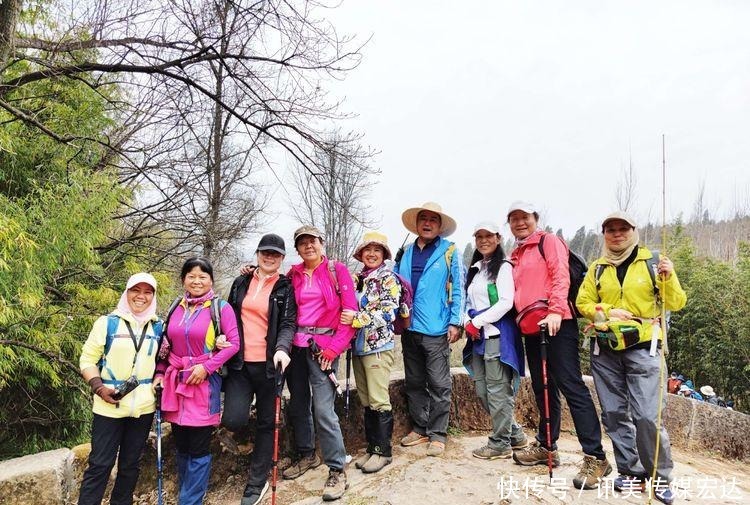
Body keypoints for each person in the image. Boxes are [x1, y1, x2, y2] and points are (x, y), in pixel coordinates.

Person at [577, 211, 687, 505]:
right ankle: (631, 472)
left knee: (647, 417)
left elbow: (676, 302)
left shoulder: (653, 261)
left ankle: (660, 478)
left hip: (645, 347)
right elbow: (583, 302)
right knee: (613, 414)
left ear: (633, 231)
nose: (616, 234)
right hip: (606, 347)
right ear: (604, 235)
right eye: (610, 229)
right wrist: (608, 311)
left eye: (622, 228)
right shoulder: (598, 268)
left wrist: (670, 275)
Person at [506, 201, 611, 490]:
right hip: (530, 328)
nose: (519, 223)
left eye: (524, 218)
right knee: (542, 387)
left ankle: (595, 456)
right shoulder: (515, 253)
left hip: (557, 323)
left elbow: (560, 274)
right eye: (514, 219)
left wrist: (555, 309)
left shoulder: (549, 241)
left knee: (571, 385)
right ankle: (546, 446)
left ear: (535, 219)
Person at [154, 257, 239, 505]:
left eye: (203, 276)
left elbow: (234, 344)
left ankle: (190, 501)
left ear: (211, 280)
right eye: (191, 276)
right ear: (183, 280)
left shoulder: (220, 308)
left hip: (205, 385)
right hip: (176, 384)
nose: (197, 281)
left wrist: (207, 367)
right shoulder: (174, 308)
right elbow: (164, 348)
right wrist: (160, 374)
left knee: (199, 445)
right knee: (181, 444)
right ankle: (187, 495)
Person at [283, 225, 357, 502]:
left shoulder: (337, 271)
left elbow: (350, 314)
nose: (308, 246)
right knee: (299, 404)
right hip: (296, 349)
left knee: (323, 409)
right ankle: (306, 455)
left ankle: (337, 468)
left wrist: (334, 349)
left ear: (321, 243)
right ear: (298, 247)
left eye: (312, 241)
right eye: (302, 242)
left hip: (324, 349)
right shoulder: (294, 274)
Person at [222, 234, 297, 505]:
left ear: (282, 258)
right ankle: (240, 443)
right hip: (240, 364)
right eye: (265, 252)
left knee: (267, 424)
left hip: (270, 366)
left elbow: (288, 323)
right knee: (233, 418)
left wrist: (282, 349)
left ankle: (256, 482)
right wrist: (222, 338)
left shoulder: (285, 287)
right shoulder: (241, 281)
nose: (269, 257)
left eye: (275, 254)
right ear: (257, 254)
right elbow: (228, 315)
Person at [78, 273, 163, 505]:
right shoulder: (107, 323)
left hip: (143, 407)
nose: (141, 296)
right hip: (109, 405)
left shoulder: (158, 326)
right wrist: (98, 387)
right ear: (127, 292)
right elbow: (87, 360)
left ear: (153, 296)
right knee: (100, 464)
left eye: (148, 292)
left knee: (130, 465)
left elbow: (164, 361)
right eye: (136, 290)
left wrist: (160, 376)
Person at [394, 202, 464, 457]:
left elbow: (458, 287)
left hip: (436, 328)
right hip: (409, 327)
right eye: (423, 218)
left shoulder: (449, 251)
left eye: (433, 219)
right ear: (416, 224)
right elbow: (393, 286)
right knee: (414, 382)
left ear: (440, 225)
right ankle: (420, 427)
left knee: (438, 383)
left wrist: (456, 322)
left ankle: (438, 433)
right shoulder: (405, 252)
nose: (427, 223)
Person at [461, 222, 527, 459]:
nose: (483, 240)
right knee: (482, 389)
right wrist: (467, 318)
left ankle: (500, 444)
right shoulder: (477, 269)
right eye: (479, 236)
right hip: (477, 337)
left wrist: (476, 323)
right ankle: (515, 435)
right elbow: (470, 302)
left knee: (498, 391)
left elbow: (505, 302)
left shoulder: (504, 267)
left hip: (497, 336)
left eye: (488, 235)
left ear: (498, 238)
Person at [340, 232, 401, 473]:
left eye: (377, 250)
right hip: (359, 347)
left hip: (378, 347)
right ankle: (372, 448)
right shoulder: (360, 279)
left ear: (384, 254)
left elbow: (389, 313)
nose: (372, 253)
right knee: (366, 400)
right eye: (368, 249)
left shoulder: (387, 279)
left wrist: (358, 318)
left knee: (378, 399)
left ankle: (383, 452)